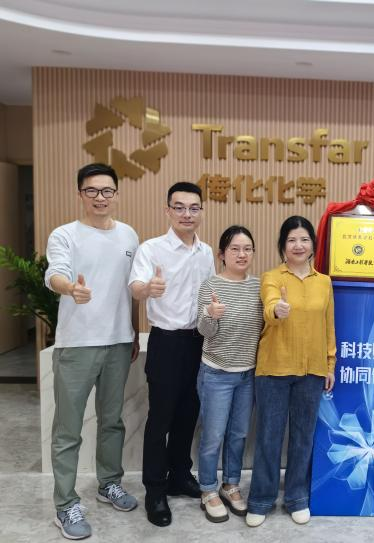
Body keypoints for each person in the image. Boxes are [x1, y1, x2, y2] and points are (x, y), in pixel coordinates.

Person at [45, 163, 140, 540]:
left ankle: (109, 483)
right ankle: (65, 504)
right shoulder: (65, 234)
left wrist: (133, 332)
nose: (100, 197)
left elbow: (130, 288)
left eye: (107, 190)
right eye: (92, 191)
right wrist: (70, 288)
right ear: (80, 194)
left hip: (118, 342)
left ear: (116, 193)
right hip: (77, 344)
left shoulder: (129, 235)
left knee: (112, 421)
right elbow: (54, 273)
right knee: (68, 429)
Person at [129, 182, 215, 527]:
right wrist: (147, 288)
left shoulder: (206, 252)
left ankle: (180, 474)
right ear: (168, 210)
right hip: (166, 341)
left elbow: (211, 292)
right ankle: (155, 489)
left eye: (193, 208)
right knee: (160, 417)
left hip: (198, 342)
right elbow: (136, 287)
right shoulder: (151, 249)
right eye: (179, 207)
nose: (186, 214)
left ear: (201, 212)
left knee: (188, 413)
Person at [245, 216, 336, 528]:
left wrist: (330, 363)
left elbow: (328, 326)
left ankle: (297, 497)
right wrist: (277, 309)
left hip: (312, 370)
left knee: (302, 437)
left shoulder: (324, 282)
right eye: (292, 240)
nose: (299, 245)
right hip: (274, 368)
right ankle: (261, 499)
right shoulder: (271, 277)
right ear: (283, 246)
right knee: (268, 437)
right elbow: (270, 305)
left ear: (313, 245)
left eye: (304, 239)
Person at [195, 225, 263, 522]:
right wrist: (210, 314)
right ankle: (208, 488)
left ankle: (230, 484)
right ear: (222, 254)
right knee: (213, 436)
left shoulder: (259, 286)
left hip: (248, 374)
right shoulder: (210, 285)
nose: (241, 254)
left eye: (247, 248)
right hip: (216, 373)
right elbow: (204, 331)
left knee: (239, 434)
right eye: (234, 249)